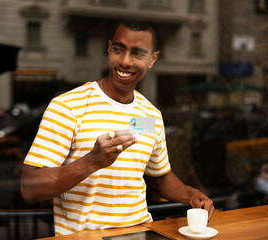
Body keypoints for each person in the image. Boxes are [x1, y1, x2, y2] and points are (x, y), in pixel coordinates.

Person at [20, 20, 214, 236]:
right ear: (109, 48)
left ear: (153, 59)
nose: (125, 61)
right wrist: (91, 162)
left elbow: (158, 177)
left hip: (141, 234)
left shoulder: (150, 116)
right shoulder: (67, 106)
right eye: (118, 50)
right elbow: (30, 188)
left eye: (137, 53)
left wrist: (191, 194)